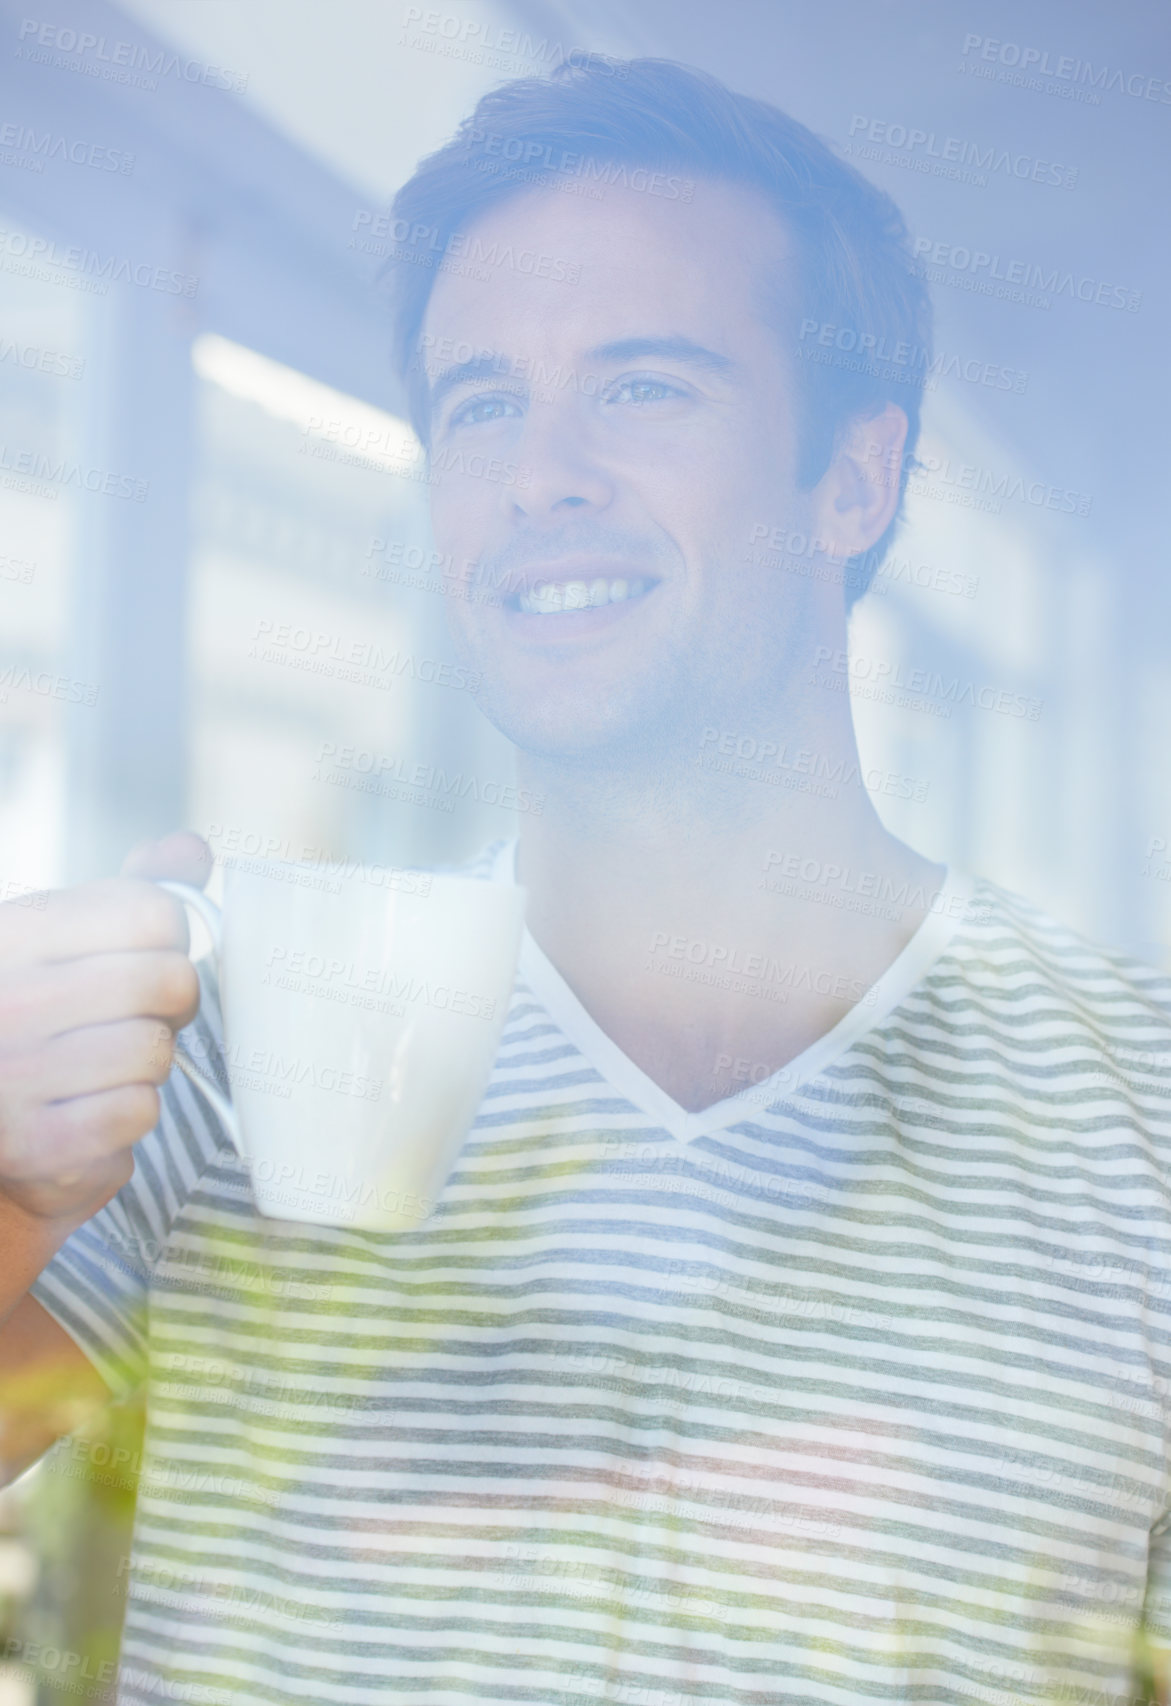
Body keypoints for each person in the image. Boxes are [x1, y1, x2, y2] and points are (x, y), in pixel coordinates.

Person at [2, 55, 1170, 1706]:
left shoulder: (1140, 1106)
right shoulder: (235, 1044)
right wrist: (12, 1189)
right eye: (480, 402)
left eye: (643, 387)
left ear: (853, 477)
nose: (539, 471)